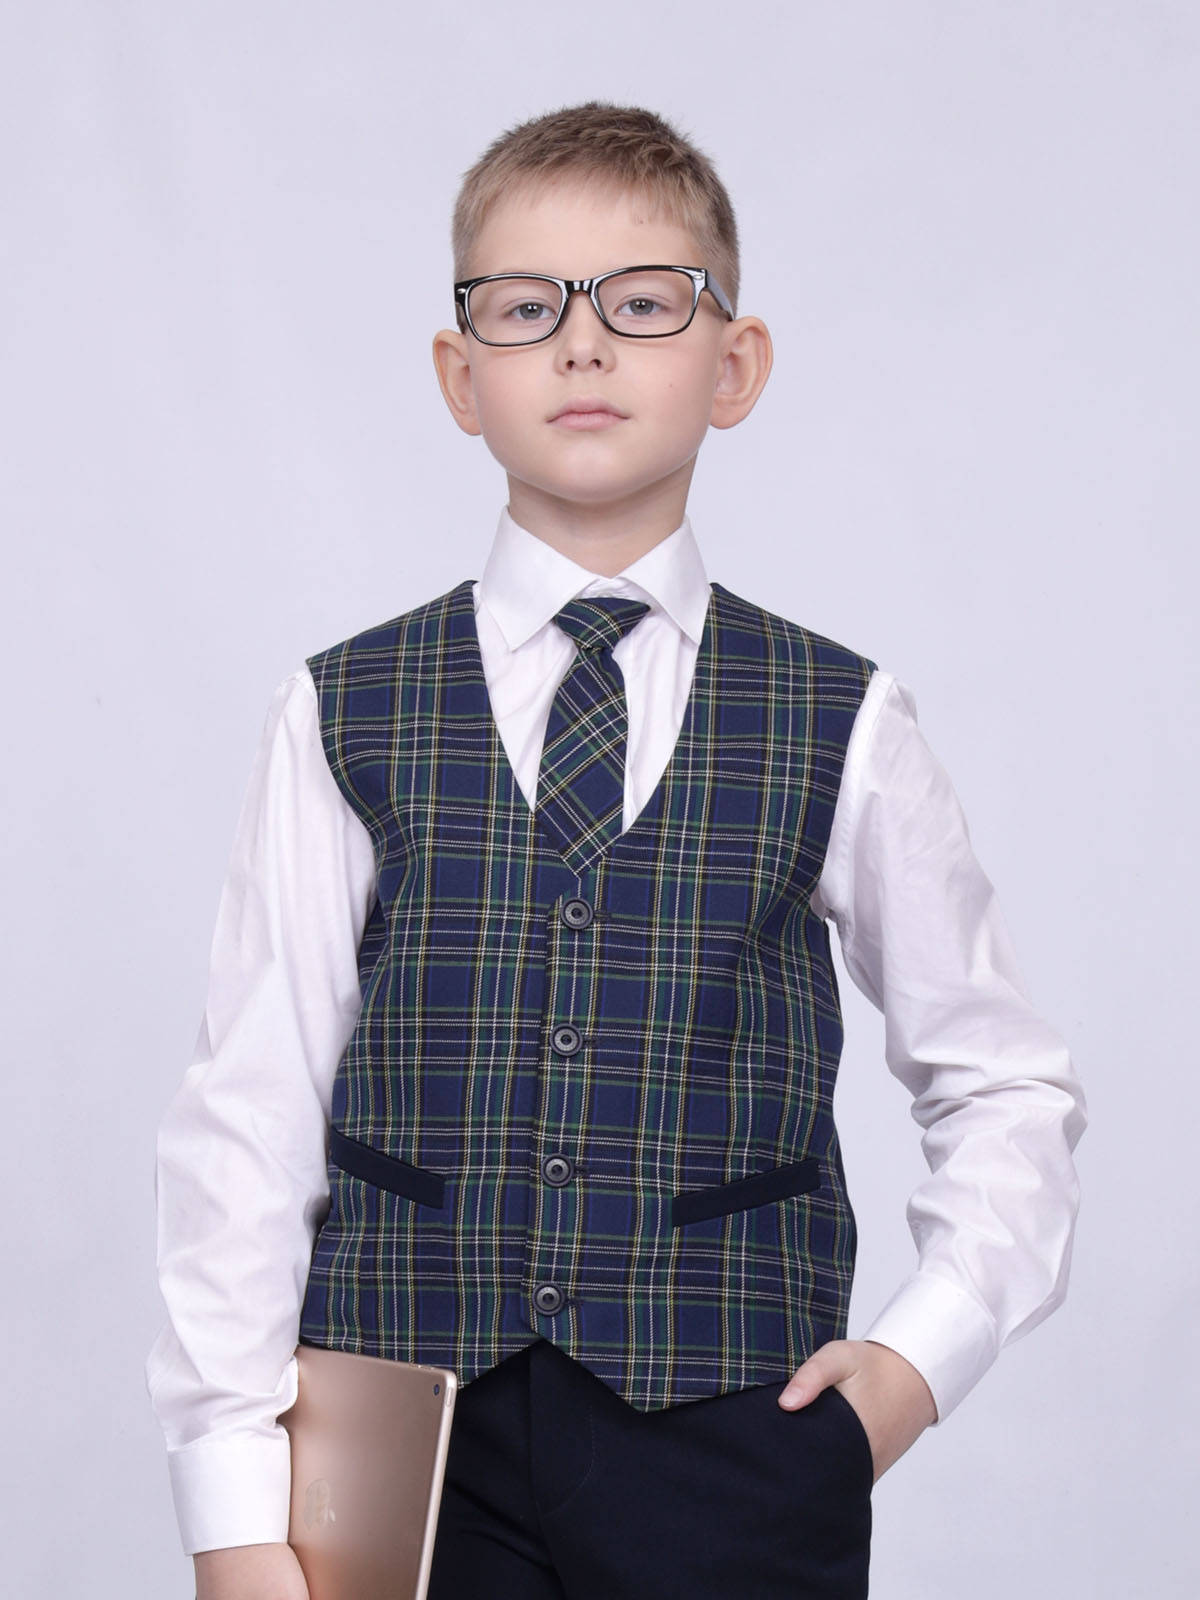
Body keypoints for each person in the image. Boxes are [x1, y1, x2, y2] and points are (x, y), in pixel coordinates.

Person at [147, 102, 1086, 1600]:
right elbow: (249, 1111)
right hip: (400, 1442)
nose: (582, 345)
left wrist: (917, 1366)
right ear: (461, 376)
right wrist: (229, 1503)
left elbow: (1005, 1082)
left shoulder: (841, 718)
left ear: (735, 365)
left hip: (733, 1444)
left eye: (644, 304)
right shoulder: (342, 708)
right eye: (527, 308)